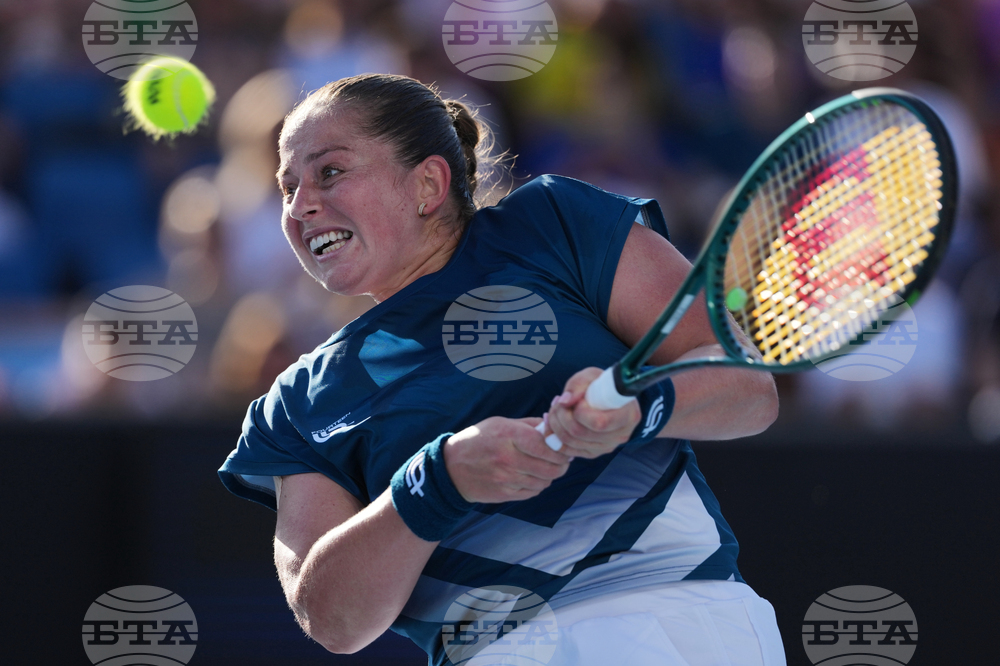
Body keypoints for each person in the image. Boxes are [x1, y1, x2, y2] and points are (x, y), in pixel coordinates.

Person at [219, 73, 785, 665]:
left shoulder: (553, 224)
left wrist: (635, 408)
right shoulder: (297, 403)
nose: (300, 204)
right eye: (287, 188)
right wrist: (436, 483)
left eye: (329, 172)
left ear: (428, 184)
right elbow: (332, 620)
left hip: (683, 625)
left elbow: (747, 388)